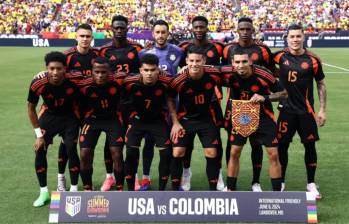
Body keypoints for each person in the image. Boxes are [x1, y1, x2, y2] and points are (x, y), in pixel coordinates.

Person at [222, 17, 276, 192]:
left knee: (256, 144)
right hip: (237, 106)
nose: (245, 32)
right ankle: (230, 186)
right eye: (241, 29)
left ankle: (256, 182)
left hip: (259, 107)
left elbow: (272, 73)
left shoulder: (263, 50)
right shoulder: (228, 49)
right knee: (234, 148)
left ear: (253, 30)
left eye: (248, 29)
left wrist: (266, 96)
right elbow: (220, 71)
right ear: (237, 30)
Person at [220, 50, 287, 191]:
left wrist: (266, 98)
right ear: (232, 63)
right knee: (234, 152)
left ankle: (277, 194)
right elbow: (207, 69)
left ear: (250, 61)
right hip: (240, 115)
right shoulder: (228, 72)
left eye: (244, 61)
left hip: (264, 116)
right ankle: (230, 190)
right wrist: (186, 68)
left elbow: (284, 93)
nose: (241, 65)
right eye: (237, 62)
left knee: (273, 154)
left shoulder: (263, 74)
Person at [274, 24, 327, 199]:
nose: (295, 39)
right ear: (287, 38)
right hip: (286, 110)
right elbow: (260, 63)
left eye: (298, 36)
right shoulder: (279, 56)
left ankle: (311, 183)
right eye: (292, 36)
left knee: (310, 146)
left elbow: (320, 84)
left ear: (303, 37)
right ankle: (280, 182)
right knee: (282, 146)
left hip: (307, 112)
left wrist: (322, 110)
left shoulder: (312, 60)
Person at [178, 16, 225, 191]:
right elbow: (175, 65)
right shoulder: (183, 47)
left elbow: (226, 67)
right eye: (196, 26)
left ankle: (218, 174)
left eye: (202, 26)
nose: (199, 29)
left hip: (211, 101)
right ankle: (186, 173)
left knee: (215, 142)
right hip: (188, 102)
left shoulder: (217, 47)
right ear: (192, 28)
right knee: (186, 143)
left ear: (207, 28)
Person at [27, 52, 80, 207]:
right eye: (51, 68)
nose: (55, 72)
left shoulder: (75, 80)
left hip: (70, 116)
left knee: (71, 148)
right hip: (49, 115)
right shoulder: (38, 82)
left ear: (65, 69)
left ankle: (74, 189)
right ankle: (43, 192)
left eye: (59, 68)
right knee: (40, 148)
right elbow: (30, 108)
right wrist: (38, 135)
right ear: (46, 68)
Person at [136, 19, 183, 191]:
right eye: (157, 32)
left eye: (164, 32)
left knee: (171, 144)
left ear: (168, 33)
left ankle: (173, 180)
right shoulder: (144, 54)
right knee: (148, 143)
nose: (161, 35)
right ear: (153, 33)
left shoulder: (178, 52)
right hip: (151, 106)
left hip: (171, 104)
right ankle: (146, 179)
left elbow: (187, 70)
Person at [99, 15, 143, 191]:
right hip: (112, 103)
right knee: (110, 143)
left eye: (122, 27)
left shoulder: (137, 49)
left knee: (132, 142)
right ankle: (109, 177)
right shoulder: (103, 51)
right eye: (116, 27)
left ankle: (135, 176)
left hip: (133, 102)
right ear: (111, 28)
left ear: (127, 28)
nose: (119, 30)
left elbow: (144, 71)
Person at [170, 46, 220, 191]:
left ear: (204, 60)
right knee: (178, 152)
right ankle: (175, 190)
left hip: (206, 120)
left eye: (198, 60)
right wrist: (175, 122)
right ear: (186, 61)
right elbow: (170, 97)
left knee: (212, 152)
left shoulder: (213, 74)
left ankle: (213, 191)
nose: (194, 64)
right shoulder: (179, 79)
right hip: (184, 120)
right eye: (191, 60)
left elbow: (230, 74)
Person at [56, 23, 99, 192]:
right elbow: (55, 74)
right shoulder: (67, 56)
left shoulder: (97, 55)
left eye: (88, 36)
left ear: (92, 38)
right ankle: (61, 178)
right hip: (71, 108)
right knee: (67, 143)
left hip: (90, 108)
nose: (85, 39)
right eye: (82, 36)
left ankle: (86, 183)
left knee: (87, 147)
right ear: (76, 37)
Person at [123, 54, 173, 191]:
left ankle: (161, 190)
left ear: (158, 70)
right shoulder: (129, 82)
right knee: (131, 153)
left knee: (166, 154)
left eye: (152, 70)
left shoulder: (166, 81)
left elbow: (172, 97)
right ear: (140, 70)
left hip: (158, 121)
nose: (149, 73)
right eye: (146, 70)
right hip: (137, 120)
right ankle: (130, 190)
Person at [78, 57, 125, 191]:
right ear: (91, 71)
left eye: (103, 72)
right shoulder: (83, 85)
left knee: (116, 153)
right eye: (96, 72)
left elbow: (137, 76)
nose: (100, 75)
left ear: (110, 72)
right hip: (92, 119)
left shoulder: (118, 80)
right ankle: (88, 189)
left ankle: (120, 189)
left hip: (113, 119)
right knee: (85, 153)